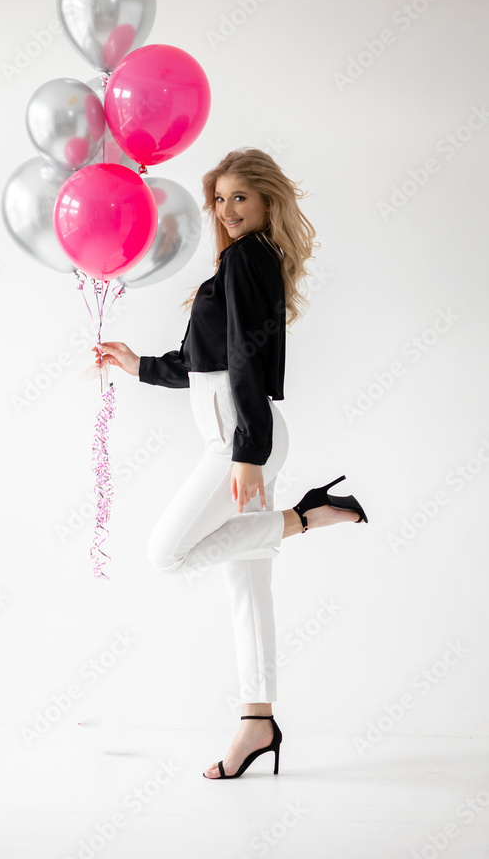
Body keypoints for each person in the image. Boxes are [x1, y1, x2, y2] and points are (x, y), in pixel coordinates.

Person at [92, 148, 368, 780]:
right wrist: (138, 365)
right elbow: (204, 361)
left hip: (238, 436)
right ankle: (257, 720)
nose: (227, 209)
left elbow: (243, 357)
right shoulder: (242, 260)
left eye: (240, 197)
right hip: (239, 431)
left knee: (167, 553)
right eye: (219, 199)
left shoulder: (246, 258)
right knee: (247, 589)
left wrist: (247, 452)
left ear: (267, 200)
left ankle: (306, 516)